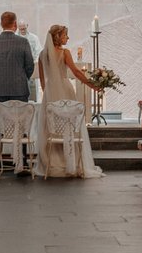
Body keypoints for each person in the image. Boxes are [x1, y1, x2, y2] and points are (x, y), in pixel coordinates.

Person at [35, 24, 103, 178]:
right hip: (65, 90)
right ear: (58, 37)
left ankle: (51, 161)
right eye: (66, 35)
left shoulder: (41, 54)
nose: (68, 38)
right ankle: (70, 161)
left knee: (50, 126)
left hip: (49, 92)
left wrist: (48, 93)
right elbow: (76, 72)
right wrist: (92, 85)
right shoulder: (64, 52)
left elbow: (42, 80)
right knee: (69, 126)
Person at [0, 11, 36, 171]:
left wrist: (1, 77)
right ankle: (21, 163)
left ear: (2, 24)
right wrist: (21, 78)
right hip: (19, 89)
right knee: (21, 125)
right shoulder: (23, 42)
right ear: (14, 24)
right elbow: (30, 65)